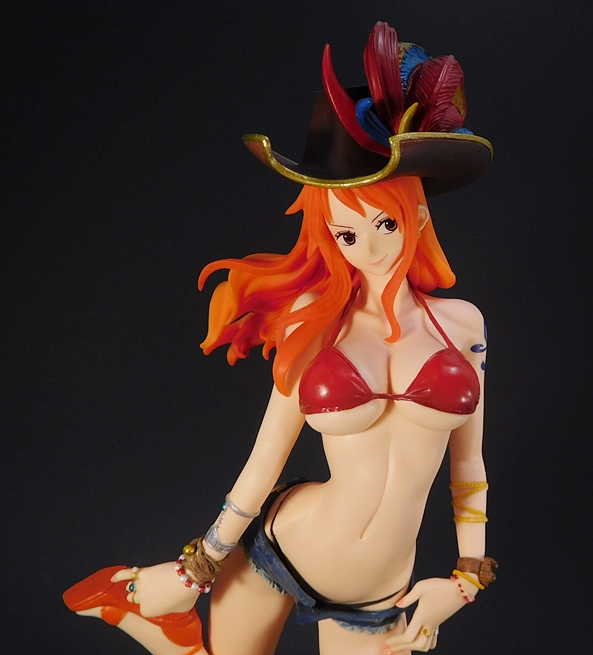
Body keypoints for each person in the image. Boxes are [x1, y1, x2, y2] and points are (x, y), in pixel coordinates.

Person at [63, 22, 497, 655]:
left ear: (419, 215)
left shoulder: (463, 325)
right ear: (330, 239)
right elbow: (266, 457)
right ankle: (154, 610)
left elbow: (469, 465)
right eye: (347, 235)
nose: (371, 247)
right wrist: (199, 565)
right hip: (283, 547)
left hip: (380, 592)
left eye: (385, 224)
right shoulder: (311, 318)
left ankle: (156, 621)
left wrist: (467, 579)